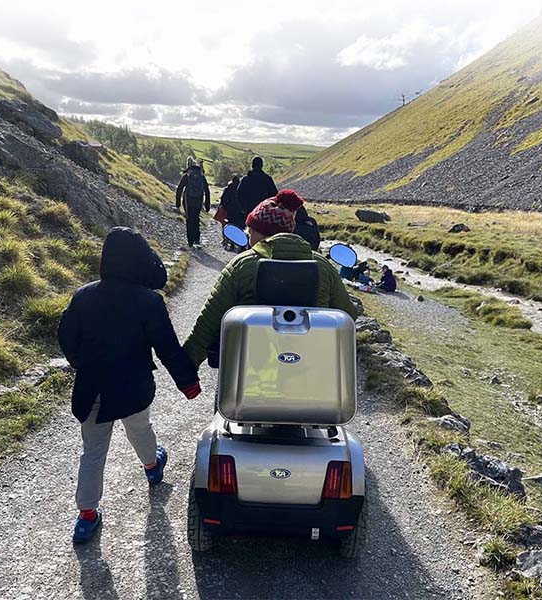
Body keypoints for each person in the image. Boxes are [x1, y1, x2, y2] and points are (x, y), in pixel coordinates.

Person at [58, 227, 201, 544]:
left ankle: (86, 516)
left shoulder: (83, 295)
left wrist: (81, 363)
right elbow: (167, 347)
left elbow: (66, 337)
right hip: (132, 386)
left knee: (93, 451)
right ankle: (152, 465)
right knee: (139, 429)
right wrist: (188, 383)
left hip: (92, 388)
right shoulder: (148, 300)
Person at [183, 189, 359, 366]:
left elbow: (208, 324)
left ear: (260, 232)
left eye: (250, 229)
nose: (248, 234)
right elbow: (348, 316)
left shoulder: (242, 265)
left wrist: (186, 369)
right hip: (311, 366)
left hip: (250, 367)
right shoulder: (323, 266)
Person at [176, 158, 210, 247]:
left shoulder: (187, 175)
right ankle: (197, 239)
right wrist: (207, 204)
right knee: (196, 218)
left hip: (188, 200)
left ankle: (190, 241)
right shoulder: (201, 176)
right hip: (198, 200)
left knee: (189, 219)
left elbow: (179, 189)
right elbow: (207, 190)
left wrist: (178, 203)